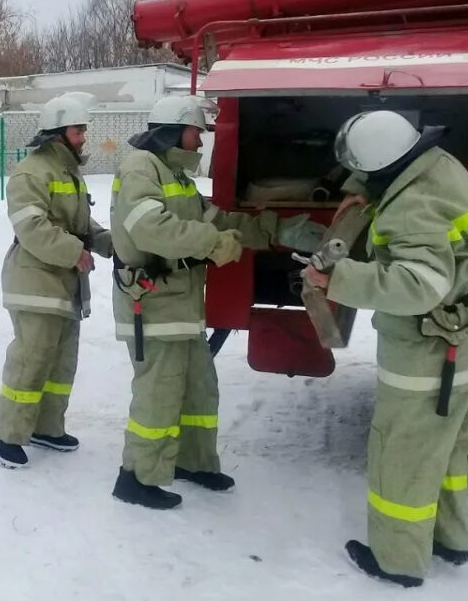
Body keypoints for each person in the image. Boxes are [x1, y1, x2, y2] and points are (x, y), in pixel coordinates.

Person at [304, 110, 468, 588]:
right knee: (446, 453)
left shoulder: (412, 207)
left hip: (432, 356)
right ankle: (449, 540)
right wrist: (367, 190)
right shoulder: (438, 164)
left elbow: (420, 284)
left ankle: (397, 561)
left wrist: (334, 276)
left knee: (400, 457)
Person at [109, 95, 325, 509]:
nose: (200, 141)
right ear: (172, 131)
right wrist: (212, 244)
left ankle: (193, 462)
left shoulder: (175, 175)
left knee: (200, 390)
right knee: (158, 393)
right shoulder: (140, 167)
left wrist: (276, 230)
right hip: (153, 306)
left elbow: (215, 220)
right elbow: (149, 227)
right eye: (195, 133)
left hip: (181, 306)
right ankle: (136, 477)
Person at [0, 92, 113, 469]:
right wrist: (74, 253)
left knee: (61, 362)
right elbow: (32, 227)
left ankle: (47, 427)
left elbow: (80, 225)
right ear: (59, 132)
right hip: (35, 281)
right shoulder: (32, 171)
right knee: (31, 360)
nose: (84, 137)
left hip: (62, 284)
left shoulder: (66, 172)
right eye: (79, 130)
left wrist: (111, 244)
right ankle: (7, 435)